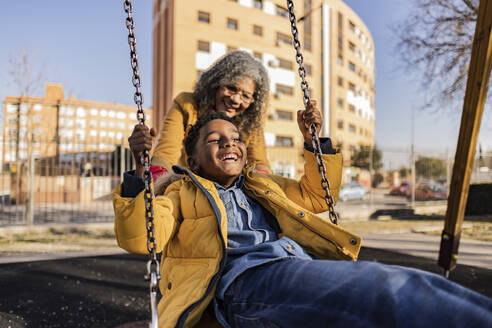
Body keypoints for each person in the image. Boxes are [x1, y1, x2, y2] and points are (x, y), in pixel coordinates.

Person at [113, 104, 492, 328]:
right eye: (215, 139)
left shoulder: (261, 185)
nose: (230, 141)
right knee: (388, 289)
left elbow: (316, 194)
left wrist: (313, 142)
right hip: (247, 284)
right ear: (192, 159)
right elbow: (142, 237)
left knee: (410, 283)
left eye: (235, 137)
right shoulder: (180, 193)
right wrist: (138, 170)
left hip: (294, 265)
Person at [129, 50, 271, 180]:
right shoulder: (186, 105)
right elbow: (166, 153)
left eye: (245, 96)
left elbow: (259, 162)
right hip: (187, 185)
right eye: (231, 88)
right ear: (216, 83)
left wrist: (262, 184)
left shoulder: (250, 123)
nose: (235, 99)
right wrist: (155, 178)